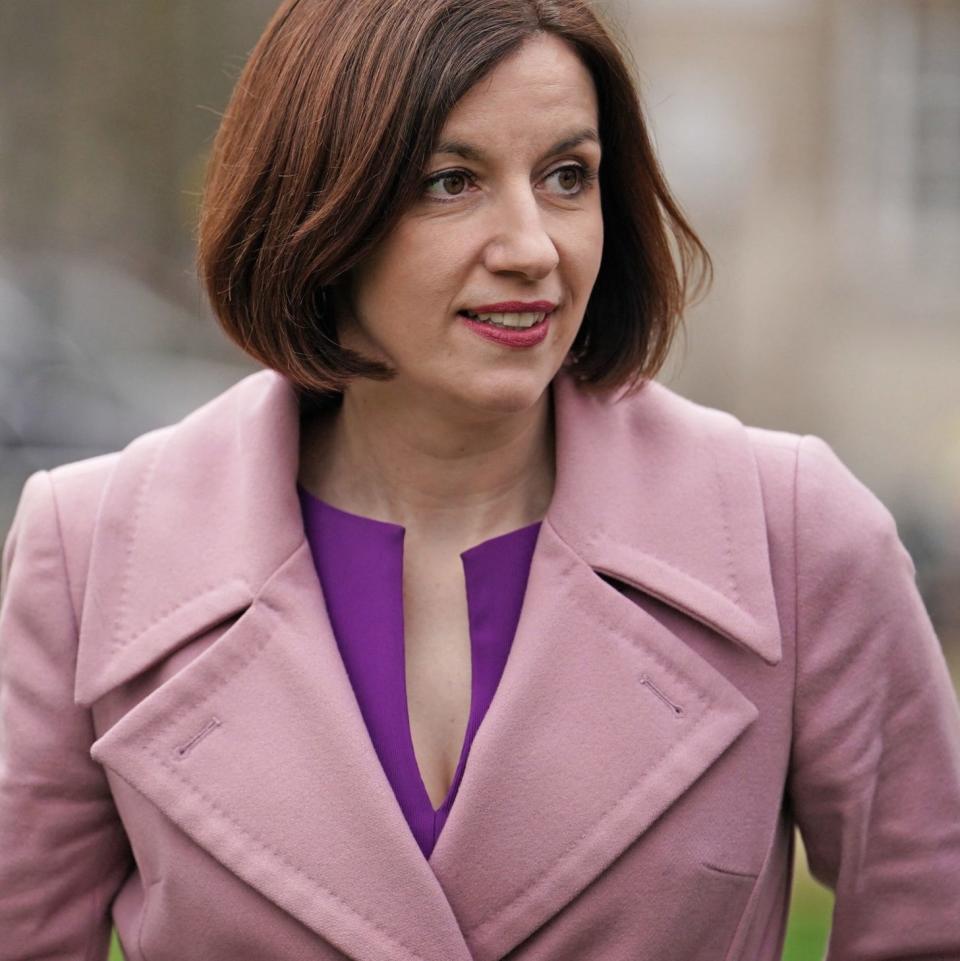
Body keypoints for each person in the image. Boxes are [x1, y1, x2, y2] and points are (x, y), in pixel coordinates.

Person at [1, 0, 958, 958]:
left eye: (566, 176)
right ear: (315, 206)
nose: (533, 246)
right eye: (451, 182)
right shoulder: (91, 554)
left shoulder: (792, 532)